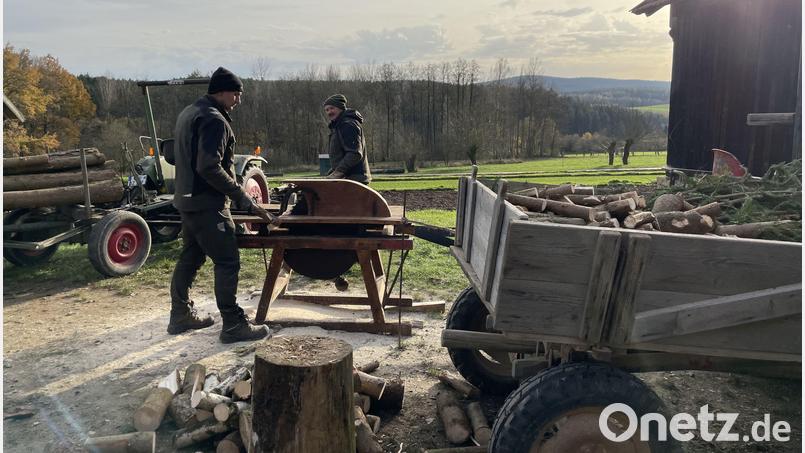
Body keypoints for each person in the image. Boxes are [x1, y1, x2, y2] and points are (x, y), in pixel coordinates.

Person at [168, 66, 277, 343]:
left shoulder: (188, 113)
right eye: (237, 94)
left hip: (186, 201)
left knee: (191, 257)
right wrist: (243, 197)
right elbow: (209, 167)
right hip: (208, 204)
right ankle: (233, 325)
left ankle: (179, 315)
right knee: (227, 260)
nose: (238, 100)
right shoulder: (214, 119)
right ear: (223, 92)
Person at [323, 94, 372, 183]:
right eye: (327, 110)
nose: (329, 112)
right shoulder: (338, 125)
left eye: (332, 108)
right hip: (347, 178)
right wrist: (334, 170)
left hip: (354, 179)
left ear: (340, 108)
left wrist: (338, 172)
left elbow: (355, 153)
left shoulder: (347, 125)